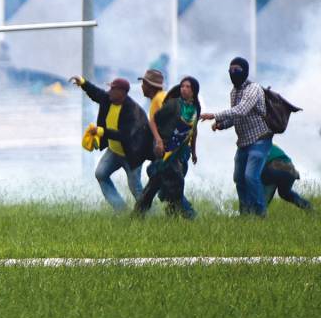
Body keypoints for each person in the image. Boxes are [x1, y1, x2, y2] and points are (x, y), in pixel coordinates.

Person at [201, 57, 272, 216]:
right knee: (239, 178)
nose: (233, 73)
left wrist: (215, 115)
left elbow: (242, 110)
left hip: (260, 139)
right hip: (243, 143)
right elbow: (236, 117)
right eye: (231, 70)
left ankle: (261, 214)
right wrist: (221, 124)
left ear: (245, 72)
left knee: (250, 177)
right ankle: (245, 213)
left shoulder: (253, 89)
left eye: (237, 70)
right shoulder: (234, 92)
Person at [69, 75, 150, 212]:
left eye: (113, 90)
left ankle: (149, 213)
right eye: (110, 89)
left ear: (123, 93)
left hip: (132, 154)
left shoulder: (132, 111)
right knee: (101, 174)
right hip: (114, 151)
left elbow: (124, 136)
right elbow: (96, 93)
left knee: (135, 187)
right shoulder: (108, 99)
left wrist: (101, 131)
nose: (109, 92)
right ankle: (121, 209)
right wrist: (83, 83)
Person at [134, 77, 200, 219]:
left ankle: (139, 214)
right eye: (182, 86)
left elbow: (193, 130)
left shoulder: (195, 108)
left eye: (188, 87)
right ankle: (190, 216)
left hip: (181, 151)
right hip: (166, 150)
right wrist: (158, 140)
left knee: (155, 185)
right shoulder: (173, 104)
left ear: (194, 90)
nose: (184, 89)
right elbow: (153, 121)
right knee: (177, 181)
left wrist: (194, 152)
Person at [261, 145, 313, 211]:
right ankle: (308, 207)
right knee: (285, 193)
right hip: (290, 171)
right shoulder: (271, 144)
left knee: (259, 183)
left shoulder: (256, 146)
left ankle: (259, 212)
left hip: (274, 169)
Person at [139, 69, 167, 158]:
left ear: (150, 86)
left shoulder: (159, 99)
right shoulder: (157, 98)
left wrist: (160, 142)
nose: (141, 86)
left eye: (143, 83)